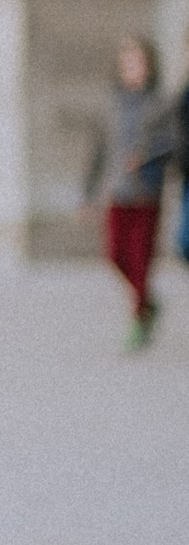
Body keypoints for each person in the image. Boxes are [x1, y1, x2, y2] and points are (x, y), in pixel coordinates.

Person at [85, 40, 173, 350]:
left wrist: (147, 155)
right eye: (129, 62)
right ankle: (147, 303)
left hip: (146, 191)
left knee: (140, 257)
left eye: (139, 62)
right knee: (115, 254)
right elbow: (99, 149)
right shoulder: (112, 103)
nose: (134, 69)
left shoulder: (161, 103)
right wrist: (88, 193)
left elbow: (172, 142)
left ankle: (138, 317)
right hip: (117, 190)